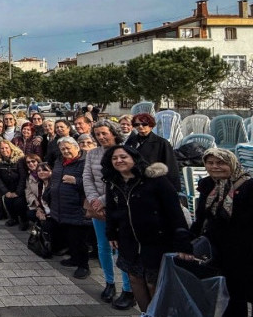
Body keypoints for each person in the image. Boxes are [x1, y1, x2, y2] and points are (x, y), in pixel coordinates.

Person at [102, 145, 189, 313]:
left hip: (156, 240)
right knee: (135, 278)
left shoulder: (156, 180)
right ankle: (145, 313)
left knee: (153, 282)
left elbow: (175, 211)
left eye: (123, 157)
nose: (119, 161)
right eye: (114, 158)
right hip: (128, 239)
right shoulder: (113, 182)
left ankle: (159, 313)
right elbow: (112, 210)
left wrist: (183, 240)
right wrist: (111, 232)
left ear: (134, 158)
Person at [187, 148, 253, 317]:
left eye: (221, 163)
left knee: (240, 292)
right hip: (216, 247)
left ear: (232, 164)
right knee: (222, 291)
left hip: (243, 249)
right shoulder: (207, 184)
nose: (215, 166)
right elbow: (201, 217)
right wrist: (189, 241)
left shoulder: (248, 186)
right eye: (210, 163)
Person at [82, 121, 134, 310]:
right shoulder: (92, 154)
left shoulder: (123, 152)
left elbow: (123, 179)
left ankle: (128, 288)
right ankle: (109, 282)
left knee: (122, 247)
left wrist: (104, 200)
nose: (101, 137)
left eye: (104, 133)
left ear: (113, 132)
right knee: (103, 246)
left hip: (118, 206)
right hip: (97, 207)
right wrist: (94, 200)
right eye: (97, 134)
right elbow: (87, 177)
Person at [48, 137, 91, 279]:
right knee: (70, 237)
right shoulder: (59, 161)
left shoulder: (85, 162)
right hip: (60, 206)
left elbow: (93, 183)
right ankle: (74, 258)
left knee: (79, 239)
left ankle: (83, 266)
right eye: (62, 149)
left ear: (77, 147)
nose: (65, 151)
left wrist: (76, 181)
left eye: (68, 148)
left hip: (77, 207)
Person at [124, 113, 180, 189]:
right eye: (137, 124)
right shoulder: (131, 141)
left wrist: (173, 188)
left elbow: (171, 166)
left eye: (144, 124)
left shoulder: (161, 143)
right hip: (133, 183)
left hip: (153, 183)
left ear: (151, 125)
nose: (140, 126)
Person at [0, 140, 28, 228]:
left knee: (19, 202)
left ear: (11, 148)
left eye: (6, 148)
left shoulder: (19, 160)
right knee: (8, 201)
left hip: (19, 187)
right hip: (8, 187)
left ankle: (24, 220)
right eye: (2, 148)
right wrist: (6, 192)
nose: (4, 150)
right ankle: (13, 218)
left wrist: (18, 192)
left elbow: (23, 177)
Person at [24, 156, 51, 223]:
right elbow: (28, 193)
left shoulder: (53, 184)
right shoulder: (38, 183)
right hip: (39, 205)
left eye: (33, 161)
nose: (30, 163)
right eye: (28, 162)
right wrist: (38, 207)